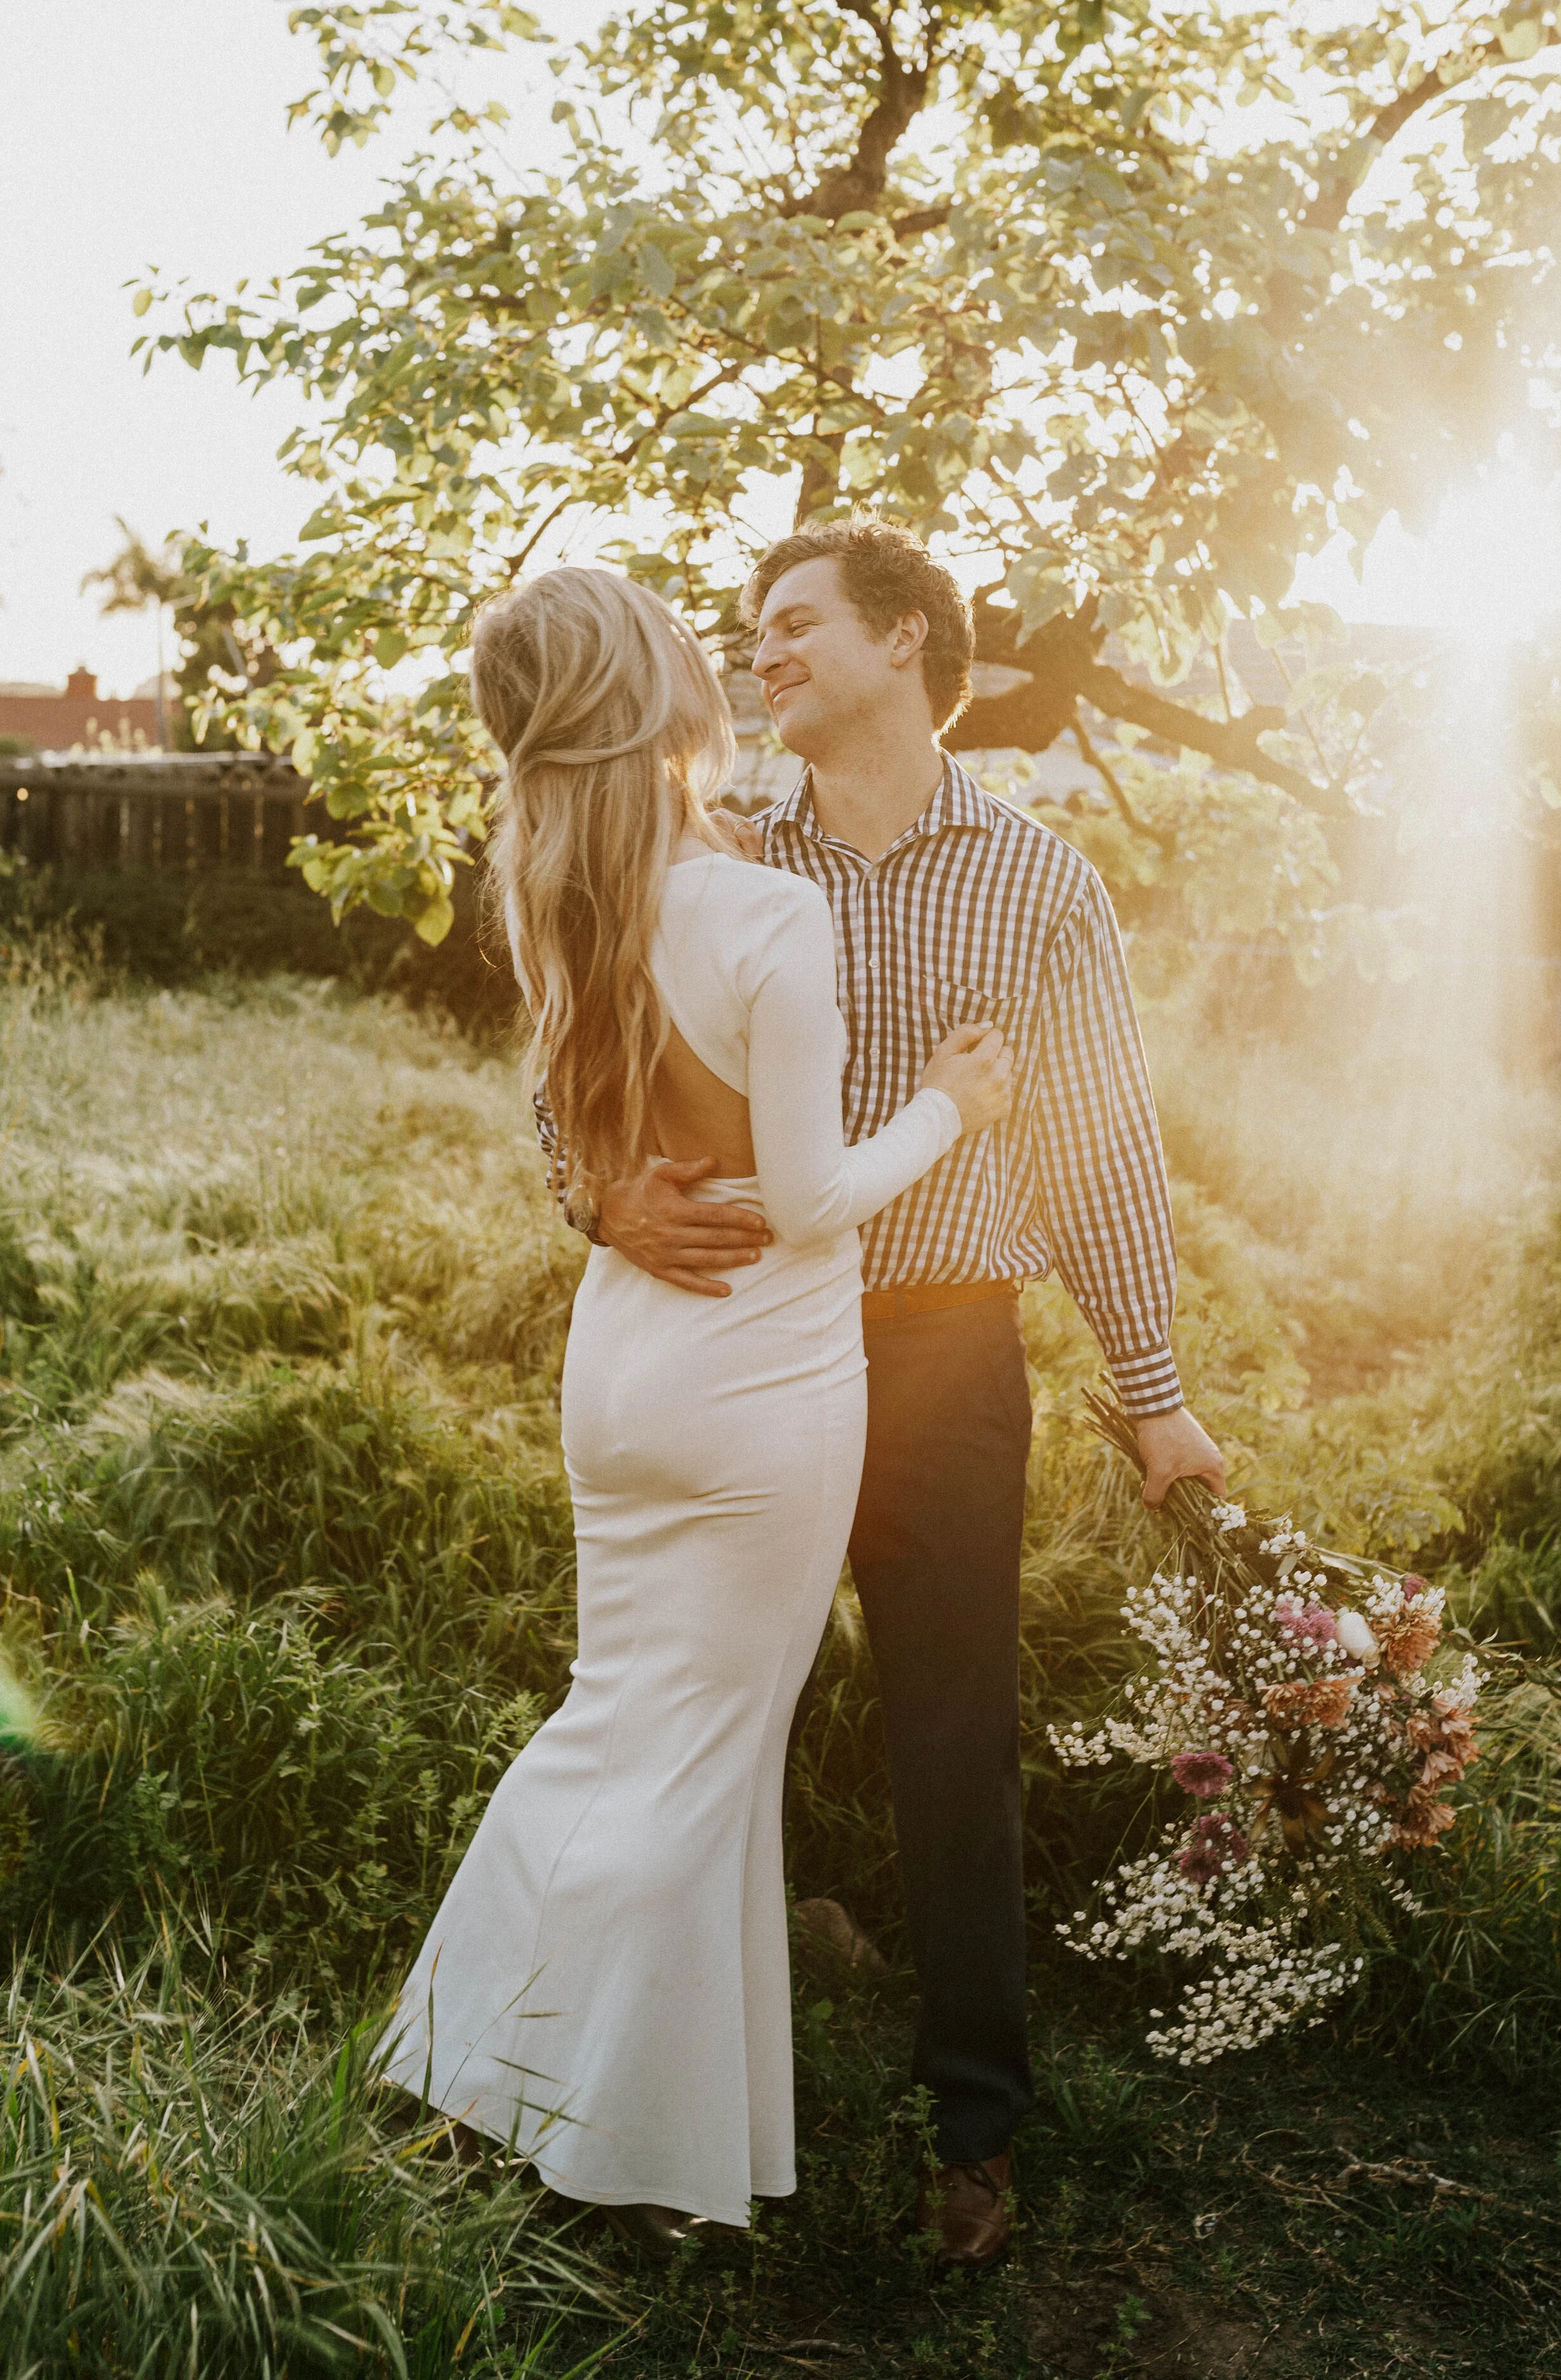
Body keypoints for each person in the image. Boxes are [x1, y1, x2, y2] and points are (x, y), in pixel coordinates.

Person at [585, 519, 1226, 2270]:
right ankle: (645, 2114)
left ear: (906, 642)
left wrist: (1152, 1391)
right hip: (733, 1350)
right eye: (748, 628)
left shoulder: (1036, 880)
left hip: (943, 1351)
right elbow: (575, 1057)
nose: (759, 650)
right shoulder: (701, 849)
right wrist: (589, 1188)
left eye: (794, 624)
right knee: (709, 1727)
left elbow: (1099, 1144)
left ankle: (972, 2130)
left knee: (953, 1736)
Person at [378, 565, 1013, 2256]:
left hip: (625, 1363)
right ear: (654, 690)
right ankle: (584, 2150)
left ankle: (560, 2103)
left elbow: (571, 1103)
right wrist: (951, 1104)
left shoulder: (553, 890)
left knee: (617, 1728)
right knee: (692, 1766)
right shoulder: (759, 911)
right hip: (756, 1384)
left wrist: (598, 1196)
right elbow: (808, 1199)